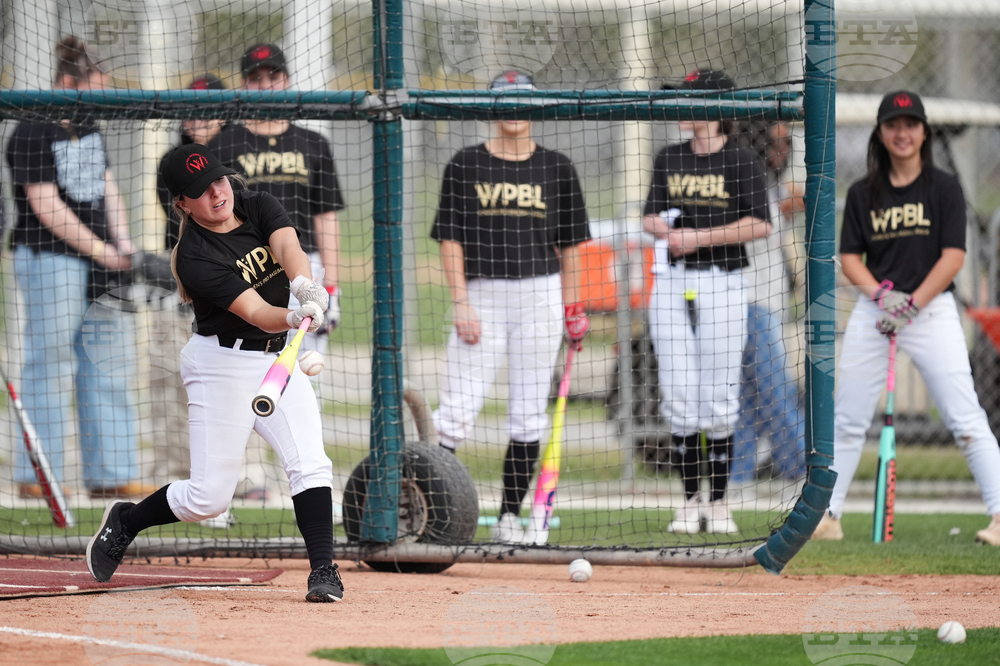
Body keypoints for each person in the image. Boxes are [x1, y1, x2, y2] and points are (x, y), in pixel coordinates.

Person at [86, 144, 345, 602]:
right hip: (221, 365)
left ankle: (323, 571)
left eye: (218, 181)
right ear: (181, 203)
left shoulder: (256, 203)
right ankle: (127, 521)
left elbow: (287, 245)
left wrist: (305, 284)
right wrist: (292, 317)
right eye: (199, 192)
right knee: (209, 499)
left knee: (309, 463)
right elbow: (257, 312)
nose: (216, 193)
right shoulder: (193, 255)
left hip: (275, 361)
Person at [812, 91, 1000, 545]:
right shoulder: (862, 193)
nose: (903, 133)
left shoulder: (944, 188)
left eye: (911, 124)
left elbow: (953, 257)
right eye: (894, 125)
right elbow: (850, 257)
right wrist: (881, 295)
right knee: (848, 418)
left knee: (964, 417)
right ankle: (828, 515)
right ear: (880, 132)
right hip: (875, 312)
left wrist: (912, 303)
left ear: (923, 132)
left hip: (930, 312)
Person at [429, 71, 591, 545]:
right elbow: (450, 239)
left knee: (527, 413)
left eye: (523, 100)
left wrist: (573, 306)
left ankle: (507, 518)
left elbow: (573, 246)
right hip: (480, 294)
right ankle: (438, 513)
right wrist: (460, 301)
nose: (513, 109)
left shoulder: (557, 167)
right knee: (456, 409)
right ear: (491, 107)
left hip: (539, 293)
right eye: (504, 100)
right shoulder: (465, 164)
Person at [5, 36, 150, 500]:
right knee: (50, 362)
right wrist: (103, 251)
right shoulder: (30, 126)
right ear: (70, 81)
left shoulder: (87, 122)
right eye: (95, 87)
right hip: (51, 258)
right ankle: (37, 476)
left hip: (100, 260)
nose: (101, 98)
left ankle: (111, 471)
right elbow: (46, 205)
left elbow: (107, 188)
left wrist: (123, 247)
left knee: (108, 363)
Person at [641, 68, 771, 534]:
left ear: (716, 109)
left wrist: (698, 237)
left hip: (722, 279)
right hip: (673, 281)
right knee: (678, 395)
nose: (680, 108)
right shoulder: (669, 158)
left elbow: (760, 223)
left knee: (718, 395)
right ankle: (689, 501)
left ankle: (718, 503)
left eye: (690, 100)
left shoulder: (740, 160)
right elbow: (650, 216)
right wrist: (668, 231)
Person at [208, 44, 344, 353]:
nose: (265, 85)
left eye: (273, 75)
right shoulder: (225, 144)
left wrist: (332, 287)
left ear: (287, 80)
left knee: (308, 367)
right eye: (255, 78)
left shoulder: (313, 143)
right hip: (247, 265)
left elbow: (326, 217)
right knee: (251, 359)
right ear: (244, 85)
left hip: (304, 265)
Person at [150, 73, 228, 488]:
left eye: (207, 110)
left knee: (235, 375)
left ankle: (241, 471)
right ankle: (171, 469)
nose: (197, 118)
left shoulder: (237, 156)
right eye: (191, 110)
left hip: (234, 278)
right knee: (168, 373)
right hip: (180, 277)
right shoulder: (170, 160)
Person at [730, 121, 806, 487]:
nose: (784, 151)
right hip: (750, 303)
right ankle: (803, 468)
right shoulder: (746, 181)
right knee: (777, 392)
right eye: (778, 143)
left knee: (751, 398)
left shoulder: (772, 185)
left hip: (768, 302)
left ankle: (736, 476)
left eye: (787, 143)